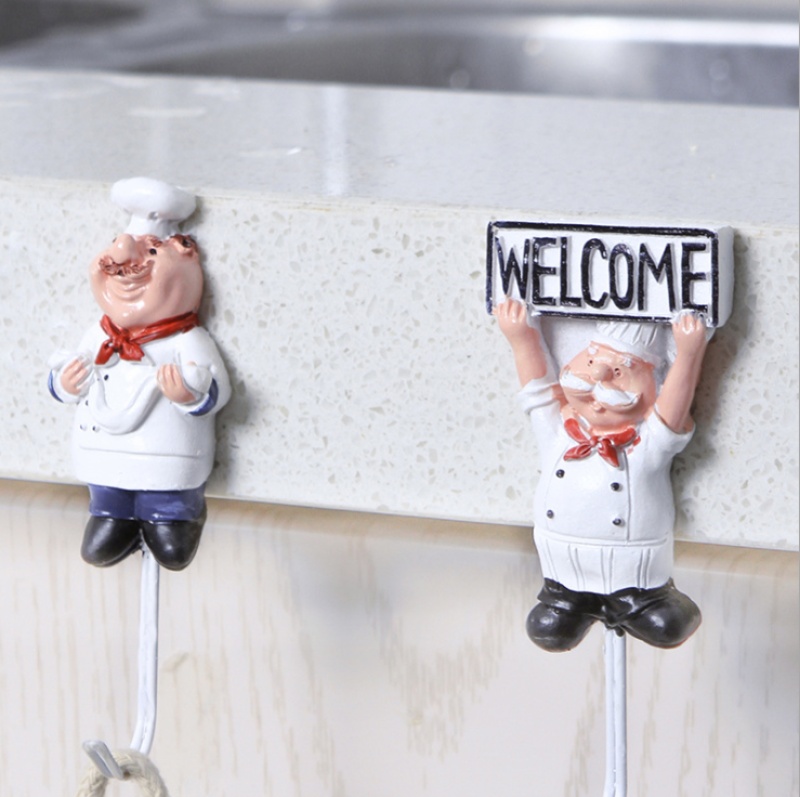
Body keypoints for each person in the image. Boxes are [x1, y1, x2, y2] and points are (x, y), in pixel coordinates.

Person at [495, 299, 708, 651]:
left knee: (668, 626)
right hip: (562, 566)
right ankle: (567, 599)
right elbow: (537, 389)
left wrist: (688, 354)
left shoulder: (646, 444)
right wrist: (521, 337)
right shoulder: (559, 432)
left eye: (621, 370)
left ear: (652, 386)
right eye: (592, 360)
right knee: (548, 629)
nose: (598, 376)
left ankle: (637, 602)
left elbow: (672, 412)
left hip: (634, 573)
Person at [48, 178, 231, 571]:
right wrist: (65, 383)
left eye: (150, 251)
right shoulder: (98, 333)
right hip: (103, 447)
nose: (124, 268)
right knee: (107, 491)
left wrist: (189, 395)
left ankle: (171, 516)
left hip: (169, 454)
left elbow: (217, 388)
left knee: (166, 497)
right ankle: (111, 514)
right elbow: (65, 372)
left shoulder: (187, 340)